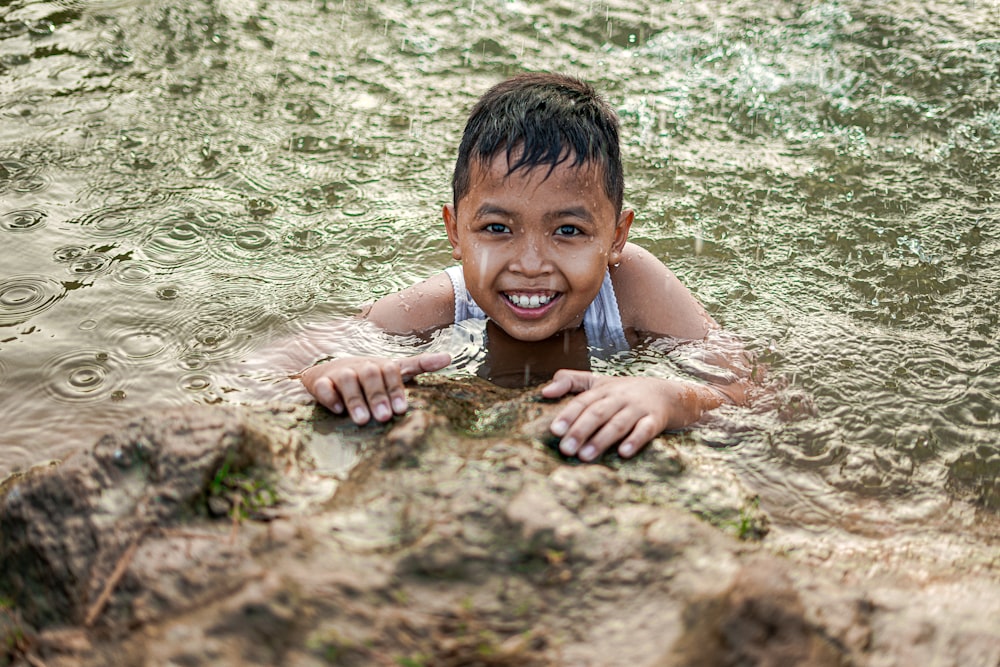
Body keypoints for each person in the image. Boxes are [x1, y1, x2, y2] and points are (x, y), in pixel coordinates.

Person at [301, 73, 751, 463]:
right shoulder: (440, 305)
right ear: (456, 232)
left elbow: (748, 395)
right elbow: (275, 366)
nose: (531, 265)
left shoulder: (633, 286)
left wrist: (669, 398)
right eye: (497, 228)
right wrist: (332, 374)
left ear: (615, 237)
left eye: (569, 231)